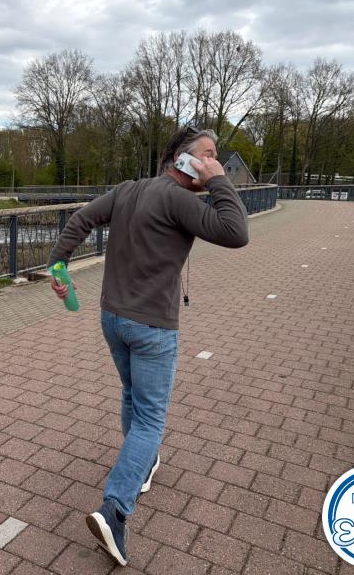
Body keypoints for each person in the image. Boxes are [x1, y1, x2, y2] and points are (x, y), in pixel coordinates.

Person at [47, 126, 249, 566]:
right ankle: (115, 510)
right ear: (181, 160)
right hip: (153, 328)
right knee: (151, 418)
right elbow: (236, 232)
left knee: (131, 396)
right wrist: (219, 180)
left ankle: (141, 466)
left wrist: (58, 266)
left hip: (112, 318)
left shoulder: (127, 190)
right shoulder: (181, 200)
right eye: (207, 155)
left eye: (216, 157)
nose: (214, 162)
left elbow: (81, 219)